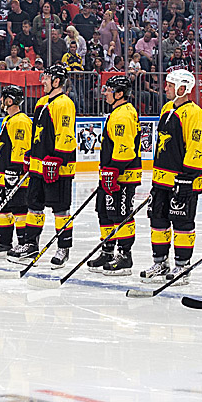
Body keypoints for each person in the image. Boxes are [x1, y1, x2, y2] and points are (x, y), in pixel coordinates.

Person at [142, 69, 202, 285]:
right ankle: (160, 262)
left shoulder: (194, 113)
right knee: (158, 220)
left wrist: (186, 177)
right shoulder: (167, 109)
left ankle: (182, 266)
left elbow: (199, 148)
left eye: (170, 85)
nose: (165, 88)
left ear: (183, 88)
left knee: (182, 222)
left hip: (183, 181)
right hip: (161, 179)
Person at [9, 64, 77, 267]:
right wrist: (31, 153)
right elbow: (37, 133)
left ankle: (63, 248)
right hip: (38, 167)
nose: (43, 81)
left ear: (57, 81)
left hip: (58, 168)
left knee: (60, 209)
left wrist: (57, 159)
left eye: (46, 78)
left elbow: (66, 134)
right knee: (34, 206)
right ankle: (31, 244)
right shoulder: (41, 102)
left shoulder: (64, 103)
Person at [87, 75, 141, 276]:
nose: (106, 93)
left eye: (109, 90)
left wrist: (114, 170)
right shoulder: (118, 112)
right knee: (104, 212)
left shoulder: (123, 115)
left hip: (122, 176)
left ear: (120, 94)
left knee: (121, 214)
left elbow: (126, 150)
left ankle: (125, 256)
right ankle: (107, 251)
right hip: (111, 173)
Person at [0, 84, 32, 256]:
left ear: (10, 100)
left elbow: (22, 148)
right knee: (2, 207)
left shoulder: (21, 121)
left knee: (19, 208)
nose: (0, 100)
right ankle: (4, 242)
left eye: (3, 97)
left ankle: (23, 242)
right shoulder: (8, 120)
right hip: (4, 174)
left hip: (16, 174)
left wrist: (14, 170)